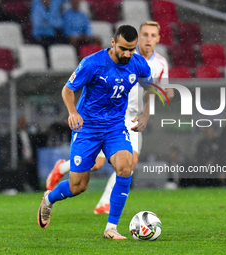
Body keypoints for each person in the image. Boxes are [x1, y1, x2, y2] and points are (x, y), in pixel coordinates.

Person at [37, 25, 154, 239]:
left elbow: (150, 88)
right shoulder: (93, 63)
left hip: (115, 127)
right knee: (78, 186)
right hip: (87, 129)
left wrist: (145, 114)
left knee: (125, 167)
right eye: (123, 49)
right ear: (112, 43)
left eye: (132, 49)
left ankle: (111, 228)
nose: (127, 54)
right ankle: (49, 199)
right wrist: (73, 113)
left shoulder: (138, 64)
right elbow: (68, 89)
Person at [31, 0, 66, 66]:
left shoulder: (53, 8)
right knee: (45, 48)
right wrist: (52, 22)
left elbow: (60, 23)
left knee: (60, 46)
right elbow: (37, 23)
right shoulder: (37, 8)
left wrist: (47, 22)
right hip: (39, 36)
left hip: (51, 35)